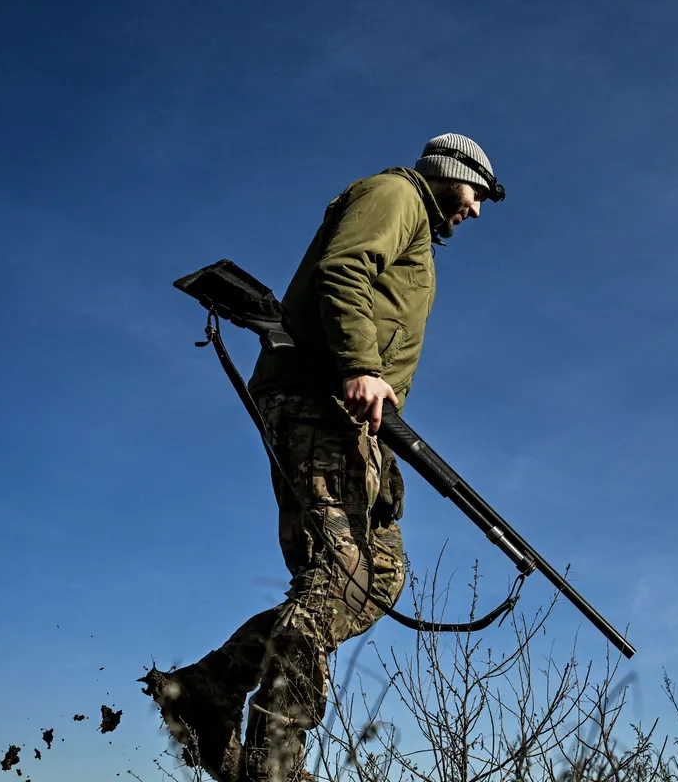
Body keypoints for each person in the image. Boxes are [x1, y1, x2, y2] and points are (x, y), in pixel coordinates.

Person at [141, 133, 504, 782]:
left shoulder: (417, 225)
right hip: (318, 397)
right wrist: (362, 366)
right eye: (480, 191)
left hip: (356, 421)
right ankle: (275, 759)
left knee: (379, 576)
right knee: (337, 574)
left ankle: (206, 688)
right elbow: (343, 269)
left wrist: (384, 458)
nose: (477, 209)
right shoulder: (396, 195)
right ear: (453, 172)